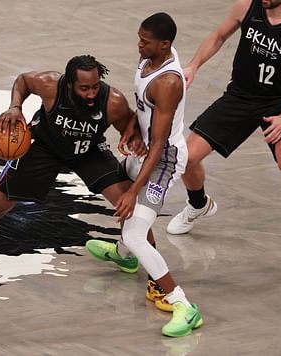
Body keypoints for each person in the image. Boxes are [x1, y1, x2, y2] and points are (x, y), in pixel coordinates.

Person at [0, 54, 156, 284]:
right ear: (68, 84)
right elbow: (22, 80)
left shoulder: (113, 102)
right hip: (44, 148)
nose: (91, 94)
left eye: (95, 86)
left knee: (130, 204)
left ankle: (154, 279)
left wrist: (133, 140)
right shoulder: (49, 84)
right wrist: (15, 107)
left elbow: (128, 128)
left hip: (87, 150)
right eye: (84, 88)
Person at [165, 0, 281, 267]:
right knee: (187, 157)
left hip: (280, 103)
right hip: (239, 97)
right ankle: (198, 204)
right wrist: (193, 66)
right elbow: (218, 36)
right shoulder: (247, 6)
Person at [86, 12, 203, 338]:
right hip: (146, 149)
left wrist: (133, 189)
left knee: (136, 228)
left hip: (163, 160)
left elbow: (161, 144)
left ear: (165, 45)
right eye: (139, 38)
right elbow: (143, 109)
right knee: (116, 189)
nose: (139, 45)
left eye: (145, 41)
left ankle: (184, 306)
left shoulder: (167, 83)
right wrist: (133, 129)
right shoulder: (148, 60)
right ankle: (125, 257)